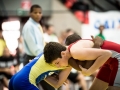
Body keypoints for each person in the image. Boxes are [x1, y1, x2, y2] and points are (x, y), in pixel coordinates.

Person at [44, 36, 120, 90]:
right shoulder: (69, 56)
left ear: (63, 54)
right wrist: (42, 76)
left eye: (57, 63)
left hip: (117, 58)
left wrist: (90, 71)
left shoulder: (74, 52)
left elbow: (107, 53)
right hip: (109, 62)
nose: (58, 66)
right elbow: (58, 84)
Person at [22, 4, 55, 90]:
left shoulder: (36, 25)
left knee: (50, 85)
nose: (38, 14)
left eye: (40, 12)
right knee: (49, 86)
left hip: (38, 57)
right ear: (30, 13)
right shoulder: (29, 26)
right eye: (35, 12)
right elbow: (34, 48)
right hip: (33, 59)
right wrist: (46, 55)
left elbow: (39, 43)